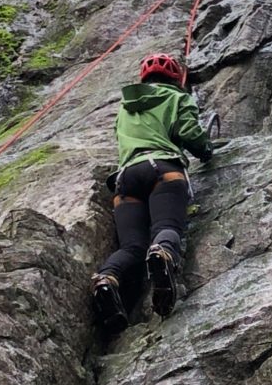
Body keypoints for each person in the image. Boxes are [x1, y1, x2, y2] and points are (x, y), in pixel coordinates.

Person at [91, 53, 214, 333]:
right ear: (174, 78)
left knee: (131, 248)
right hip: (162, 169)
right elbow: (189, 132)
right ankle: (163, 254)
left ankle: (108, 278)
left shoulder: (125, 107)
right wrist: (205, 150)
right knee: (167, 226)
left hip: (125, 180)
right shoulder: (178, 98)